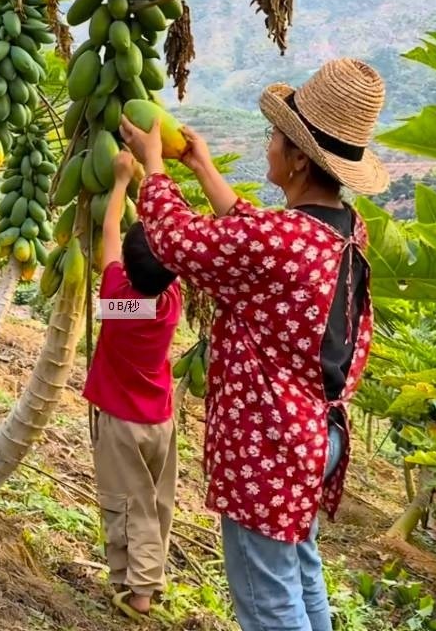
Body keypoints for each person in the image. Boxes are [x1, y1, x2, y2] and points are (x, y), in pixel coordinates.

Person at [120, 58, 387, 631]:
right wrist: (202, 168)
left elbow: (175, 240)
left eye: (273, 138)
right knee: (299, 571)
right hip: (318, 436)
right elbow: (253, 236)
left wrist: (150, 166)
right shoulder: (341, 228)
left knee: (266, 597)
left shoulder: (279, 240)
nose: (268, 147)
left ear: (296, 158)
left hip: (272, 445)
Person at [83, 152, 183, 619]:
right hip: (160, 422)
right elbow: (146, 253)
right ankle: (140, 580)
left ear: (127, 265)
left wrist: (120, 180)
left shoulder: (116, 303)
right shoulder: (170, 303)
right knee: (156, 506)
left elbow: (108, 235)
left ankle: (140, 593)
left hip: (122, 425)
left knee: (128, 507)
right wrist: (147, 186)